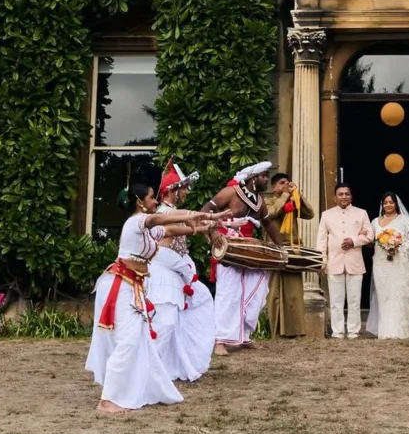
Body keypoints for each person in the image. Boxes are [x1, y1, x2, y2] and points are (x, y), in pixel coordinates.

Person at [84, 181, 219, 412]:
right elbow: (158, 220)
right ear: (139, 202)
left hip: (132, 286)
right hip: (119, 286)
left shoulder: (145, 230)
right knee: (129, 340)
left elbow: (168, 230)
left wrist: (199, 226)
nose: (155, 201)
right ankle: (107, 400)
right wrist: (193, 215)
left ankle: (138, 387)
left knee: (140, 339)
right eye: (150, 197)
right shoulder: (136, 222)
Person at [203, 160, 274, 355]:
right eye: (264, 176)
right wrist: (213, 233)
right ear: (253, 178)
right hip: (227, 247)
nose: (266, 179)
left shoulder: (260, 202)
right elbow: (204, 211)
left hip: (248, 249)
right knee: (228, 294)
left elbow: (268, 224)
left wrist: (282, 248)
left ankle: (244, 336)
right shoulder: (230, 192)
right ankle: (220, 340)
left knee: (255, 288)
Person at [153, 161, 215, 383]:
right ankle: (152, 368)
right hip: (163, 277)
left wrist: (209, 226)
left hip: (177, 273)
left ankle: (174, 364)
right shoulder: (165, 212)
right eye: (185, 188)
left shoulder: (170, 212)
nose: (187, 192)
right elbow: (186, 219)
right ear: (173, 190)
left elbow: (188, 225)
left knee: (190, 309)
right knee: (167, 322)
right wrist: (211, 218)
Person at [315, 183, 371, 338]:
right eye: (340, 194)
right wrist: (322, 261)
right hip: (334, 262)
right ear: (335, 197)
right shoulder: (326, 215)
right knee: (336, 300)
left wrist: (354, 241)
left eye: (347, 194)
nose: (344, 197)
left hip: (355, 262)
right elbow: (321, 240)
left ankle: (353, 331)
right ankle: (338, 331)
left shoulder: (361, 213)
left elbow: (370, 235)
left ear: (351, 196)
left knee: (354, 300)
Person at [264, 170, 315, 338]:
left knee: (294, 292)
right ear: (274, 187)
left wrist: (298, 195)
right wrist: (285, 195)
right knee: (274, 291)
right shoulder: (267, 201)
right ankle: (274, 331)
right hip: (274, 249)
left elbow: (310, 214)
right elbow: (271, 213)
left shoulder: (293, 201)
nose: (286, 185)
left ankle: (294, 330)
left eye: (287, 183)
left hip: (292, 249)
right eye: (282, 183)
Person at [366, 191, 409, 339]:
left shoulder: (404, 220)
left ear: (396, 204)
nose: (388, 205)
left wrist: (396, 245)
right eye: (385, 203)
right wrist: (381, 243)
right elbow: (369, 242)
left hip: (399, 264)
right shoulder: (375, 222)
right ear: (382, 205)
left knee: (399, 296)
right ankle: (385, 331)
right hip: (381, 264)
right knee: (384, 296)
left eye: (391, 202)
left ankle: (400, 331)